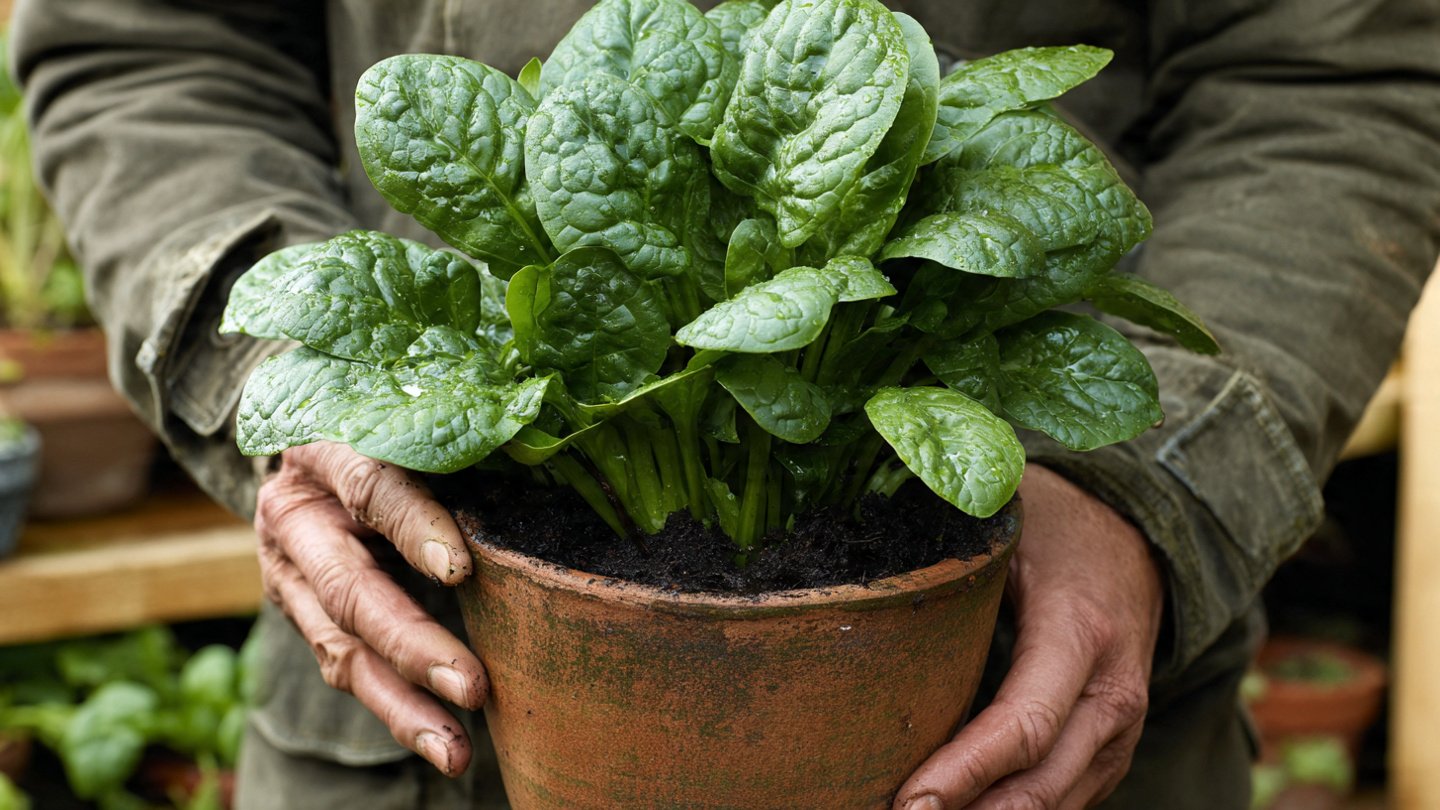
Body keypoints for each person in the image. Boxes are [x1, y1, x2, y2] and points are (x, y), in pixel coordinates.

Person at [12, 0, 1440, 807]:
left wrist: (1154, 477)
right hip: (428, 720)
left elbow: (1335, 72)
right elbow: (147, 45)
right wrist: (288, 367)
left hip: (1031, 711)